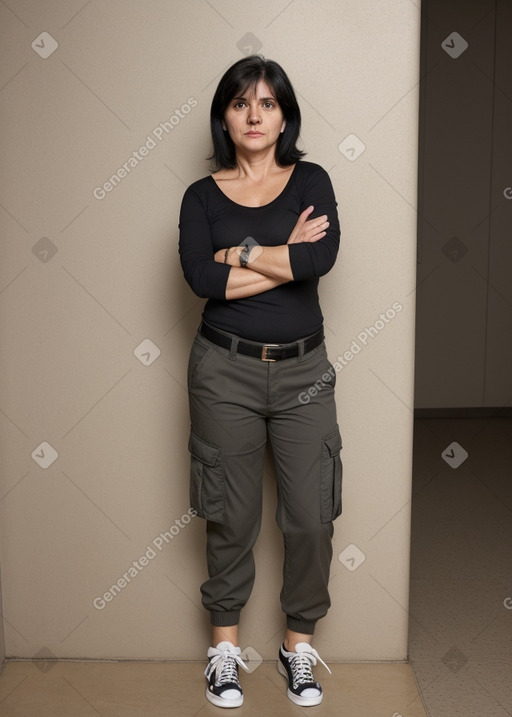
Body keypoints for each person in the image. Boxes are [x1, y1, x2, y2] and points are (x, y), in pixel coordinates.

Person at [178, 54, 342, 709]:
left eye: (268, 103)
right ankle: (224, 649)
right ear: (225, 114)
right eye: (242, 103)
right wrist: (284, 258)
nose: (254, 114)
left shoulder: (312, 179)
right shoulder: (200, 195)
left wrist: (239, 253)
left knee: (310, 517)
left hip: (305, 371)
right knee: (230, 516)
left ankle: (296, 647)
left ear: (283, 116)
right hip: (223, 370)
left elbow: (320, 257)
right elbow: (200, 279)